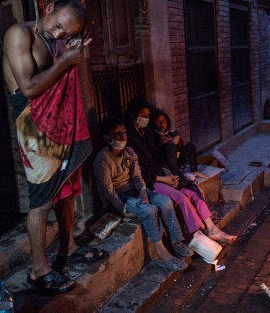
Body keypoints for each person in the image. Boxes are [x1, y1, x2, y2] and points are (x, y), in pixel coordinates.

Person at [2, 0, 107, 294]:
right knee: (42, 198)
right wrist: (65, 60)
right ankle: (39, 270)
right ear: (48, 8)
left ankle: (68, 247)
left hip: (57, 122)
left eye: (66, 33)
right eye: (59, 26)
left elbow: (64, 77)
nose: (59, 34)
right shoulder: (19, 34)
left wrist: (71, 52)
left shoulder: (54, 41)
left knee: (67, 186)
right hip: (33, 124)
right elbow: (29, 88)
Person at [125, 98, 237, 245]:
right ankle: (197, 236)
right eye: (142, 115)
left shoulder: (146, 133)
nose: (145, 118)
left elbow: (157, 156)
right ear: (133, 114)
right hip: (150, 181)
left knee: (192, 191)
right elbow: (139, 172)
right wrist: (163, 178)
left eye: (147, 115)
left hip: (161, 174)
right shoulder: (129, 140)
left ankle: (212, 229)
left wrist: (171, 174)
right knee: (182, 198)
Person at [93, 118, 192, 271]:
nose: (123, 136)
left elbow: (137, 177)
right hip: (121, 197)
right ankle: (162, 253)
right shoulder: (102, 160)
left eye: (124, 132)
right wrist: (122, 209)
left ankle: (177, 242)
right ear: (107, 137)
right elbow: (108, 191)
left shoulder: (129, 152)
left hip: (135, 191)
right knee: (150, 210)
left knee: (165, 202)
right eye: (117, 134)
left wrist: (144, 194)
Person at [150, 108, 207, 180]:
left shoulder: (170, 132)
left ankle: (194, 170)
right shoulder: (154, 136)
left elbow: (180, 148)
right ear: (154, 123)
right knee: (171, 145)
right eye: (159, 122)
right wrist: (171, 144)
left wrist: (179, 142)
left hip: (177, 160)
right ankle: (177, 174)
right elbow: (159, 154)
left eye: (164, 120)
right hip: (167, 165)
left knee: (190, 146)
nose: (162, 124)